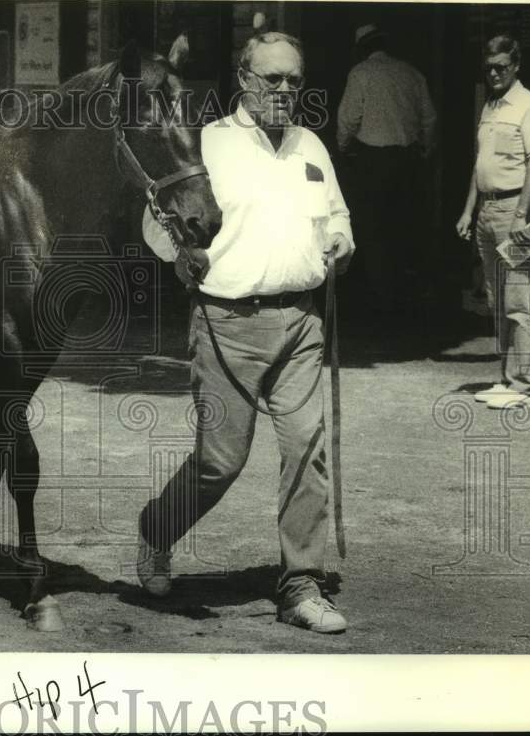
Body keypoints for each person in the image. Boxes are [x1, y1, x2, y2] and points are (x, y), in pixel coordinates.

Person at [138, 31, 355, 634]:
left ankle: (300, 585)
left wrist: (340, 238)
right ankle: (156, 530)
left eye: (294, 79)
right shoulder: (206, 143)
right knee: (220, 462)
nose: (285, 90)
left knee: (306, 449)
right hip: (226, 323)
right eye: (272, 79)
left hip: (303, 320)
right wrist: (179, 258)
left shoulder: (311, 144)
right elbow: (158, 225)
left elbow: (336, 213)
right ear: (244, 79)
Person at [455, 34, 530, 410]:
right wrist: (468, 210)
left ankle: (523, 385)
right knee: (496, 301)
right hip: (488, 213)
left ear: (516, 66)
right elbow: (481, 165)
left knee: (519, 301)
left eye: (501, 67)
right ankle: (507, 378)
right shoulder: (491, 107)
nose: (494, 73)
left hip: (516, 213)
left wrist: (522, 216)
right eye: (489, 67)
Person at [336, 23, 436, 315]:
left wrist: (343, 148)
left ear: (362, 48)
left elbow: (348, 119)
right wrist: (425, 151)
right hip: (407, 161)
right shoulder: (411, 73)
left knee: (373, 230)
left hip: (373, 163)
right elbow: (429, 119)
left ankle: (382, 301)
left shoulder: (360, 73)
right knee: (404, 227)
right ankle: (404, 295)